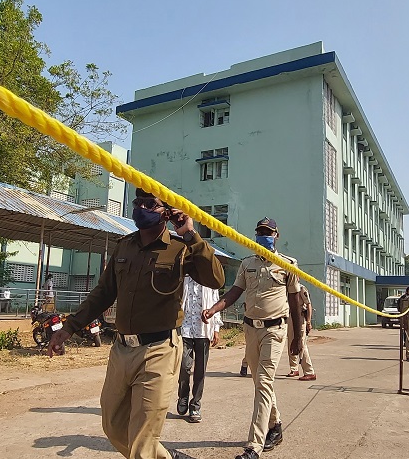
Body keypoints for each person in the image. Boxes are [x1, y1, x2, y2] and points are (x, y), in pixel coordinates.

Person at [46, 188, 225, 459]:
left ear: (167, 213)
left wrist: (190, 235)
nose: (141, 207)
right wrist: (68, 328)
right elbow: (103, 293)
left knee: (142, 440)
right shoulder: (124, 246)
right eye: (138, 202)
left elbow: (216, 280)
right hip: (121, 350)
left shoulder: (180, 248)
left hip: (159, 350)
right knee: (113, 425)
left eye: (150, 204)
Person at [201, 217, 302, 459]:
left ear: (276, 235)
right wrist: (214, 309)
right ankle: (275, 425)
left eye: (267, 232)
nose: (263, 235)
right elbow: (235, 291)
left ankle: (254, 446)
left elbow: (295, 302)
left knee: (264, 382)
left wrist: (297, 337)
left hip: (274, 331)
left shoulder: (288, 264)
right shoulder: (247, 264)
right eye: (259, 232)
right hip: (250, 330)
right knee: (259, 382)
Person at [177, 276, 221, 424]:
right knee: (184, 365)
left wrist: (216, 329)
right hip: (185, 329)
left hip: (203, 329)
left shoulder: (210, 280)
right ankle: (183, 395)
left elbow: (216, 303)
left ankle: (195, 405)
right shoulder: (184, 278)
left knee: (200, 370)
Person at [286, 285, 316, 380]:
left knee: (301, 344)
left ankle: (309, 371)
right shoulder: (285, 288)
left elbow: (308, 304)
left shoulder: (301, 288)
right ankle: (294, 368)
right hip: (290, 317)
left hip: (300, 317)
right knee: (291, 343)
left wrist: (308, 321)